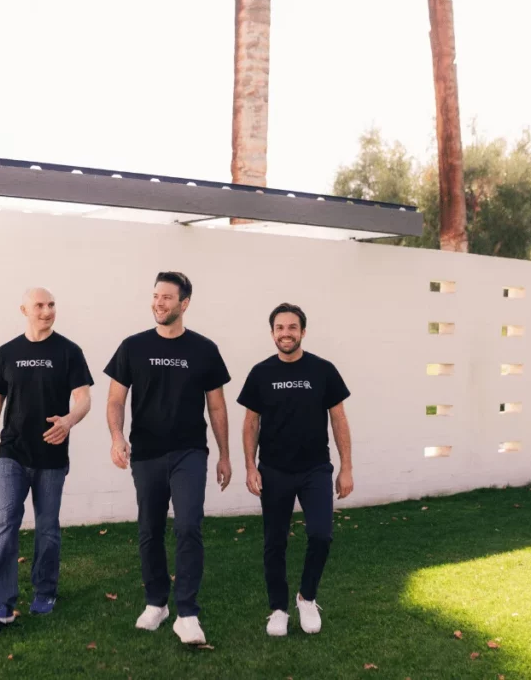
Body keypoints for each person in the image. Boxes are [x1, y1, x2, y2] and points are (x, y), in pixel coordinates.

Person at [104, 271, 232, 645]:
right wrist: (116, 437)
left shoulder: (204, 349)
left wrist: (225, 456)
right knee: (150, 529)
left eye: (167, 298)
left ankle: (187, 612)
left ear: (184, 304)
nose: (158, 303)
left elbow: (218, 407)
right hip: (146, 453)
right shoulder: (132, 346)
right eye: (155, 296)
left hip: (189, 451)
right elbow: (115, 399)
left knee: (189, 525)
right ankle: (156, 602)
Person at [0, 287, 93, 626]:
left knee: (48, 528)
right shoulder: (7, 352)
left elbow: (84, 398)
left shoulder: (69, 351)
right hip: (12, 452)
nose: (47, 310)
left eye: (52, 304)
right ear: (23, 309)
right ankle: (1, 602)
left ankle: (45, 589)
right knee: (5, 522)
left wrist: (69, 421)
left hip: (52, 456)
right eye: (39, 305)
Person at [237, 302, 353, 637]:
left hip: (315, 468)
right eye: (279, 328)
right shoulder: (261, 372)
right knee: (274, 542)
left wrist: (346, 468)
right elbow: (250, 424)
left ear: (303, 331)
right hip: (273, 470)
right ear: (272, 332)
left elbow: (339, 420)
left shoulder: (323, 370)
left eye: (292, 327)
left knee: (320, 535)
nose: (285, 334)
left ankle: (307, 597)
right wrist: (250, 467)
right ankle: (278, 609)